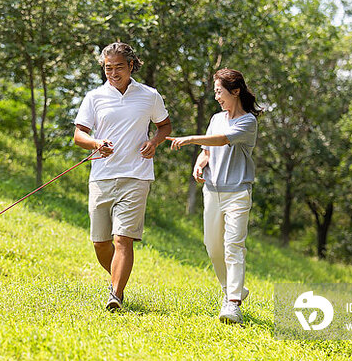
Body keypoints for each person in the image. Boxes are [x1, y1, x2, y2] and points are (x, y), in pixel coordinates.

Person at [74, 42, 172, 311]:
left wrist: (154, 142)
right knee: (100, 243)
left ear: (131, 65)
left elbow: (164, 126)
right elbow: (79, 134)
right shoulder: (94, 97)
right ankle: (117, 280)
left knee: (122, 239)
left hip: (136, 176)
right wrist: (95, 144)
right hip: (102, 177)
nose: (113, 73)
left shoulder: (150, 95)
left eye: (119, 67)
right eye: (108, 68)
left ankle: (115, 295)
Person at [167, 69, 261, 324]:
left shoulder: (248, 121)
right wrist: (199, 163)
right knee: (213, 247)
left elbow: (220, 140)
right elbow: (208, 150)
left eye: (220, 91)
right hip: (212, 192)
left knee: (233, 247)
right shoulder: (216, 118)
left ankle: (232, 304)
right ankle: (234, 290)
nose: (217, 97)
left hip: (238, 193)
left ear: (236, 91)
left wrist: (189, 139)